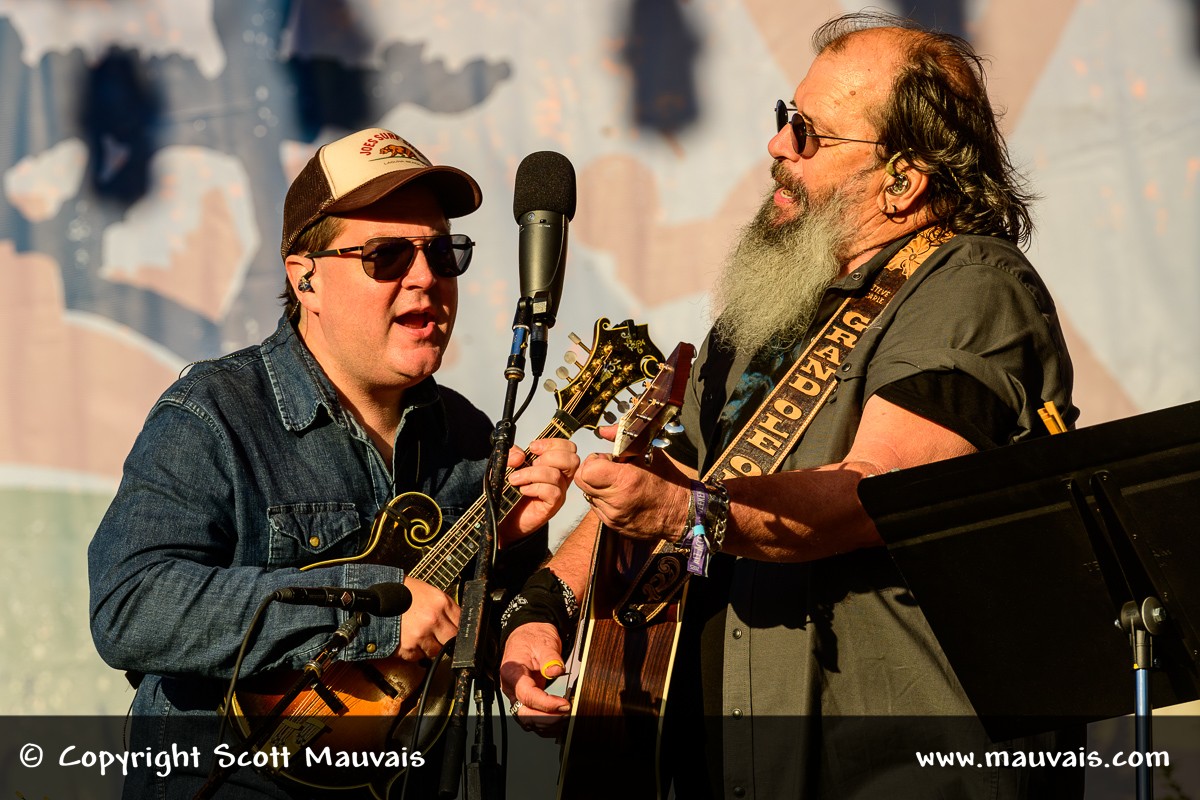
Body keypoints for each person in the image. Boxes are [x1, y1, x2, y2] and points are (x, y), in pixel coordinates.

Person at [499, 12, 1083, 799]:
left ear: (903, 180)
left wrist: (687, 514)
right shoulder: (764, 315)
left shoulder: (971, 286)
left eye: (808, 132)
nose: (778, 147)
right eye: (786, 119)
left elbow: (874, 492)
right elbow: (672, 482)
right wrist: (548, 606)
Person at [88, 127, 579, 798]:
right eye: (385, 256)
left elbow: (484, 621)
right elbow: (131, 607)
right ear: (306, 277)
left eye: (442, 252)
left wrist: (524, 636)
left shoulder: (469, 436)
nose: (426, 278)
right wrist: (372, 616)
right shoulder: (215, 412)